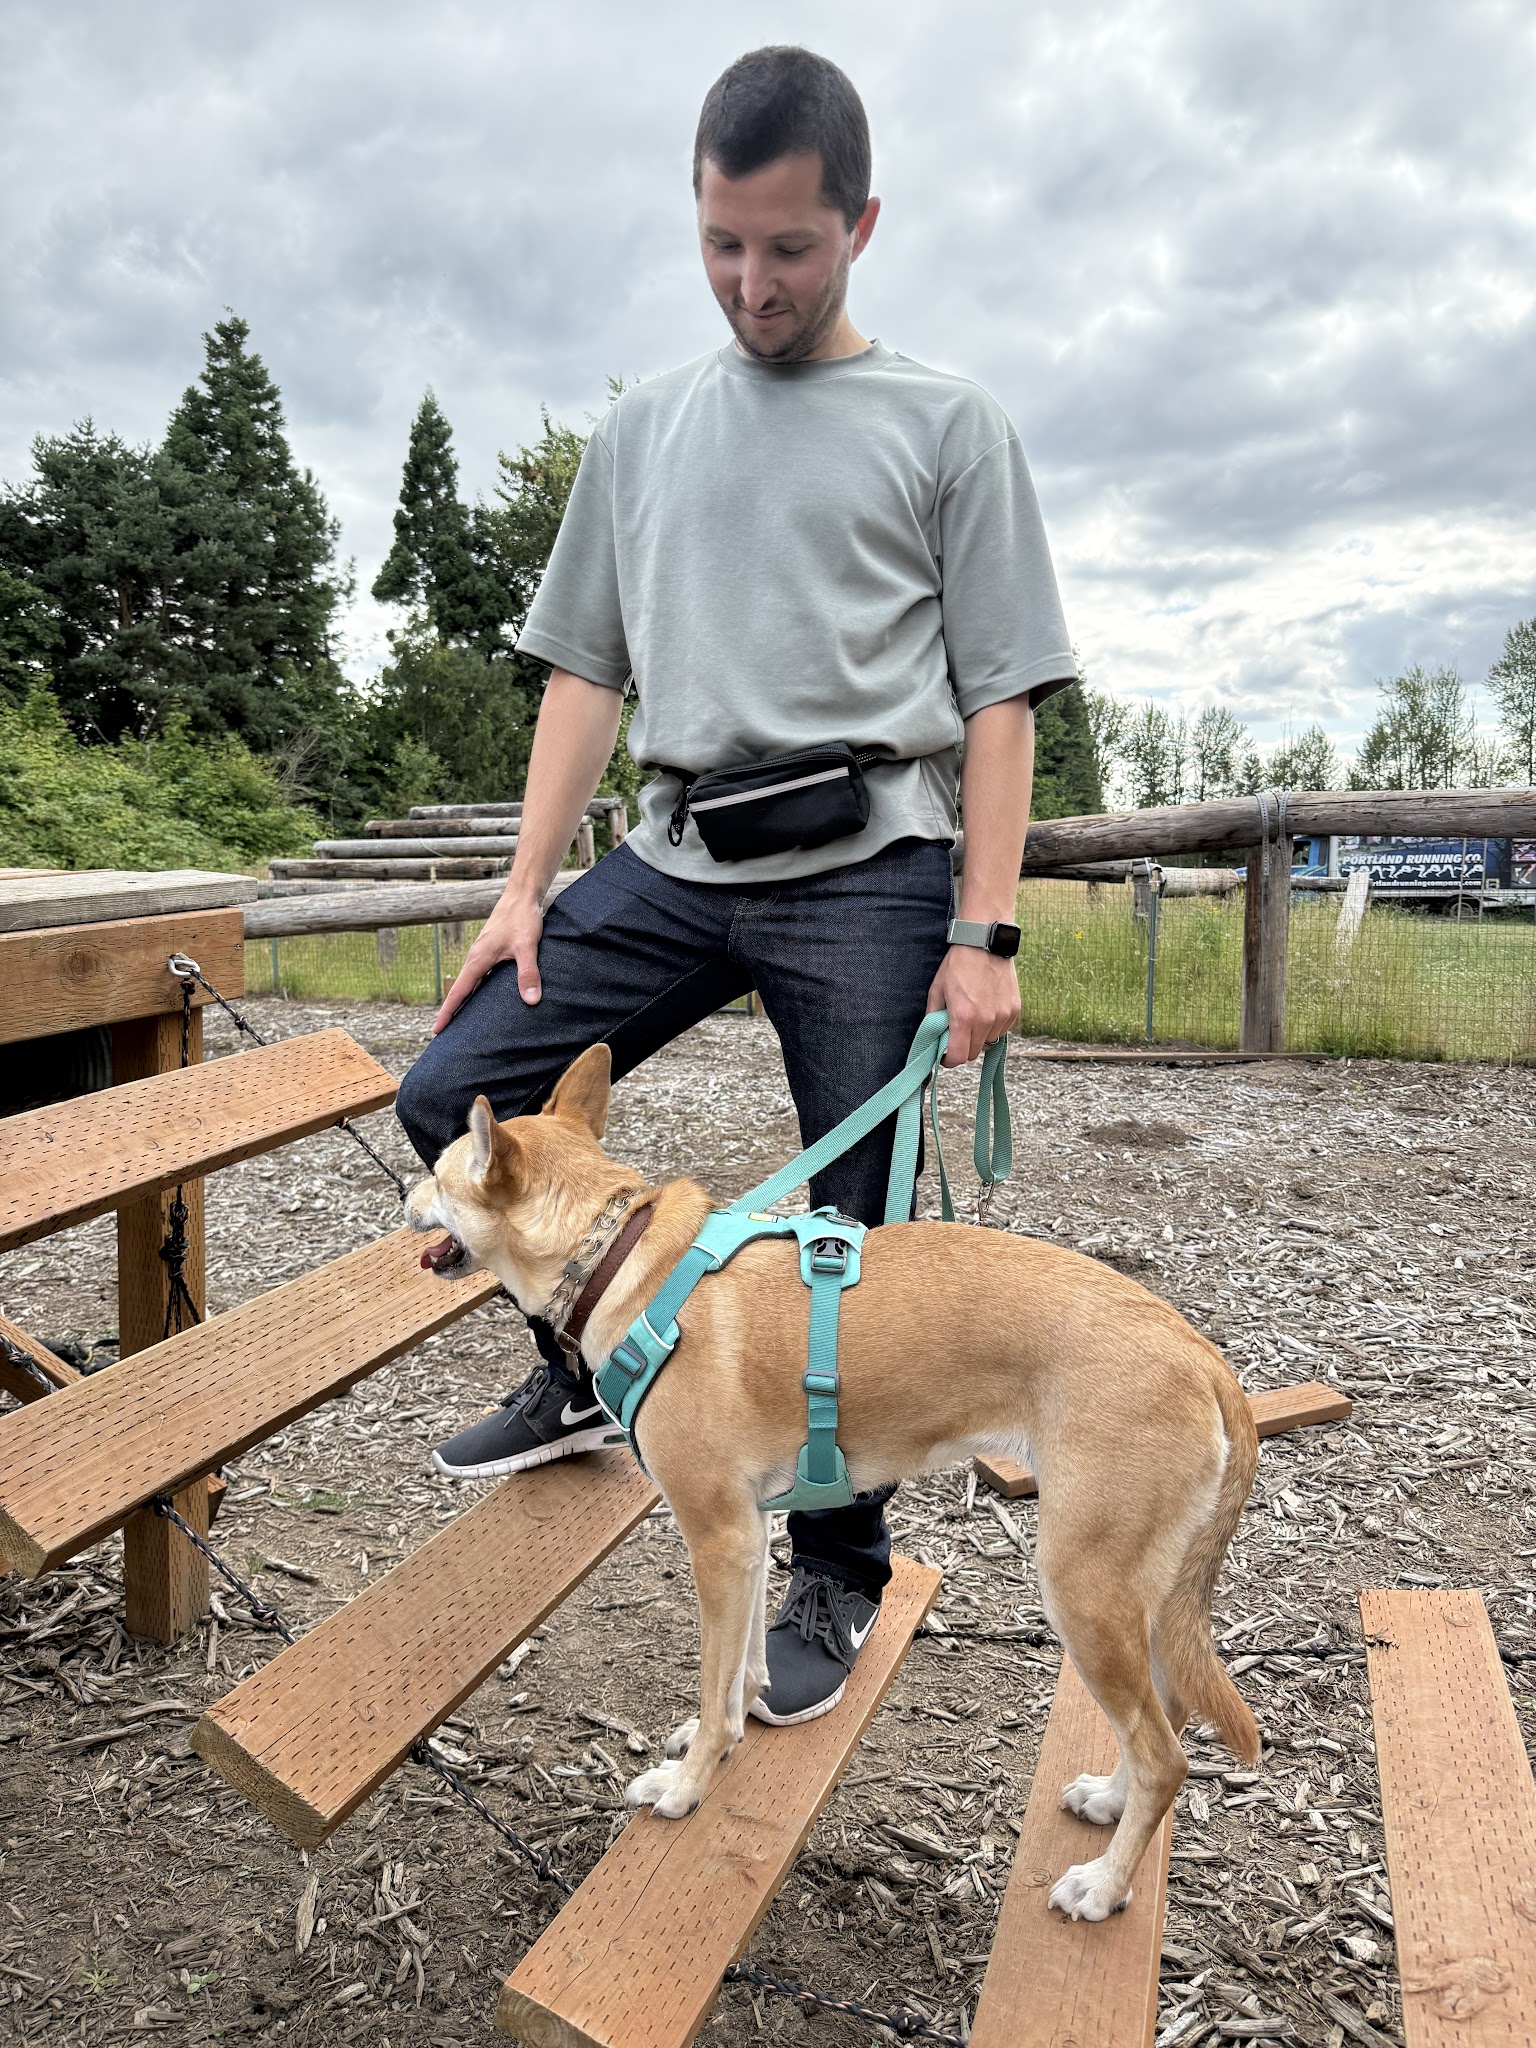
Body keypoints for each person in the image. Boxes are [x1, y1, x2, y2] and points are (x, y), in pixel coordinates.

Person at [395, 45, 1077, 1725]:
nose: (752, 283)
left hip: (871, 866)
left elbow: (1002, 701)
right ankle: (584, 1353)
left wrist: (983, 931)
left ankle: (837, 1571)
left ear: (860, 223)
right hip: (676, 851)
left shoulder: (947, 425)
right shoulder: (644, 429)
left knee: (858, 1252)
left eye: (788, 247)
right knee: (449, 1092)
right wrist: (524, 884)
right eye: (721, 243)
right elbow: (583, 673)